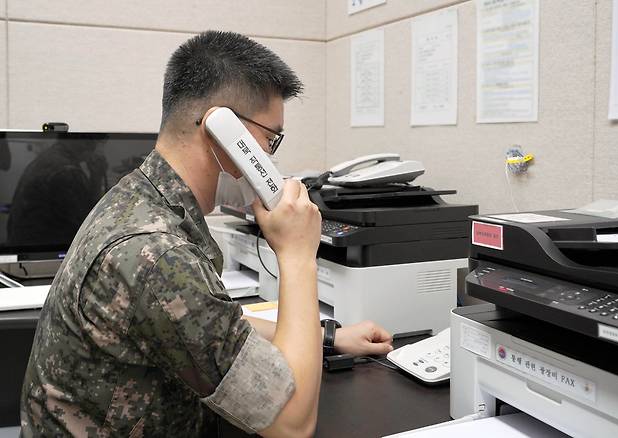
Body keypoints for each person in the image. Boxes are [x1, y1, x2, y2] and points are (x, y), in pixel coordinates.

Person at [20, 30, 393, 437]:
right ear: (223, 131)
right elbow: (292, 423)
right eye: (270, 140)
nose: (269, 158)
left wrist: (329, 337)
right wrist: (298, 254)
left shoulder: (139, 197)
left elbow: (215, 327)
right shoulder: (158, 252)